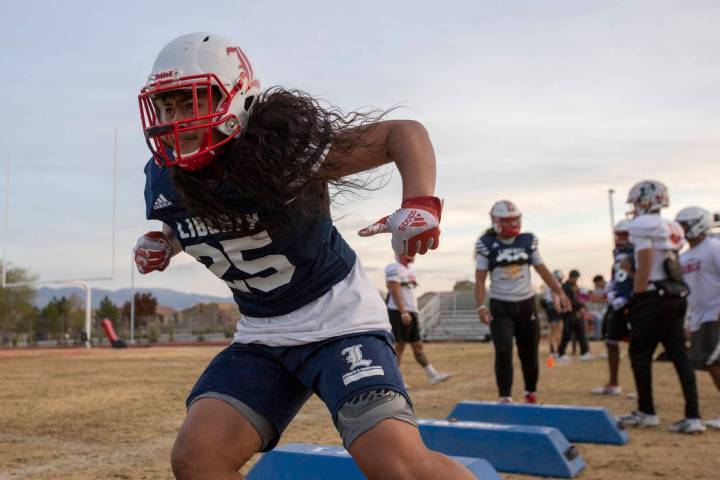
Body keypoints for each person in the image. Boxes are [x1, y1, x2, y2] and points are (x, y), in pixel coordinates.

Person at [133, 32, 477, 479]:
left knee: (398, 466)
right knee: (198, 458)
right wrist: (166, 241)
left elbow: (402, 133)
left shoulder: (276, 154)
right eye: (168, 107)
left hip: (339, 321)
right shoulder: (164, 174)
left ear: (234, 99)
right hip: (261, 334)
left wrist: (420, 201)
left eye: (191, 102)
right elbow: (186, 216)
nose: (175, 119)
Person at [617, 180, 704, 434]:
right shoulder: (672, 225)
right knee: (680, 356)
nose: (633, 207)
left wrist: (637, 294)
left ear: (644, 201)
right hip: (675, 295)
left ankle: (647, 412)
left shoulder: (643, 225)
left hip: (653, 295)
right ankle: (693, 415)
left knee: (640, 355)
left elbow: (645, 264)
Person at [474, 200, 571, 404]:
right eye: (509, 220)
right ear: (497, 222)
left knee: (529, 351)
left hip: (526, 304)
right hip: (500, 305)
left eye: (516, 219)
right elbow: (480, 279)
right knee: (503, 350)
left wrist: (560, 292)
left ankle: (530, 391)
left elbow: (542, 269)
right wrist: (481, 306)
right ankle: (505, 395)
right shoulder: (486, 244)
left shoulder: (528, 240)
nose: (514, 224)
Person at [676, 206, 720, 429]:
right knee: (708, 363)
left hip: (715, 312)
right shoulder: (684, 257)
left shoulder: (714, 248)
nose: (682, 230)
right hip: (699, 316)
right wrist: (687, 318)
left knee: (715, 362)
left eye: (685, 225)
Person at [385, 255, 451, 385]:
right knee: (399, 346)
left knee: (418, 345)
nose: (414, 254)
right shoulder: (394, 268)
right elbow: (394, 290)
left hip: (411, 312)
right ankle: (394, 380)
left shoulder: (408, 270)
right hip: (399, 312)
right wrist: (403, 312)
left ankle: (432, 375)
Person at [592, 220, 634, 395]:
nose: (619, 238)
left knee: (639, 347)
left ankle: (641, 389)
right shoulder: (618, 254)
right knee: (610, 340)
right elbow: (618, 277)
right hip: (617, 303)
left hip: (634, 302)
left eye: (623, 234)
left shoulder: (639, 251)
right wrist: (611, 291)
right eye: (618, 234)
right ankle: (613, 383)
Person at [556, 270, 592, 362]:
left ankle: (584, 352)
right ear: (572, 277)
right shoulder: (566, 287)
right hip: (568, 313)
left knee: (580, 333)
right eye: (576, 278)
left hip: (575, 313)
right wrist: (581, 307)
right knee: (567, 334)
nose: (577, 280)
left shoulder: (573, 286)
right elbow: (571, 300)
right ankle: (561, 354)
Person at [539, 270, 565, 358]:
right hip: (554, 307)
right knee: (559, 330)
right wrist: (558, 308)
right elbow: (555, 296)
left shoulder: (547, 285)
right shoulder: (556, 284)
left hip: (549, 308)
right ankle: (558, 352)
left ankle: (552, 351)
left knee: (552, 330)